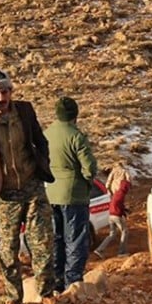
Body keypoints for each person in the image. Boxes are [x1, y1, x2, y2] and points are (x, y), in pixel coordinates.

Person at [0, 68, 66, 304]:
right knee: (8, 249)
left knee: (42, 243)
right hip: (6, 194)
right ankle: (13, 298)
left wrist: (43, 162)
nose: (3, 97)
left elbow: (40, 140)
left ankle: (47, 294)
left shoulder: (24, 109)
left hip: (32, 187)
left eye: (6, 91)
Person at [45, 96, 98, 292]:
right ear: (75, 115)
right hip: (74, 194)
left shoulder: (47, 134)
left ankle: (56, 281)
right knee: (75, 239)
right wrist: (87, 180)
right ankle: (73, 283)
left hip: (51, 192)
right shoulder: (76, 136)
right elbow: (89, 167)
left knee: (57, 238)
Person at [95, 162, 132, 258]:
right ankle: (122, 252)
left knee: (112, 234)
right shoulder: (121, 193)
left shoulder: (115, 195)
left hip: (110, 214)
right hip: (116, 215)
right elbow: (118, 207)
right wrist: (123, 213)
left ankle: (99, 249)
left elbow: (108, 184)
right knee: (125, 231)